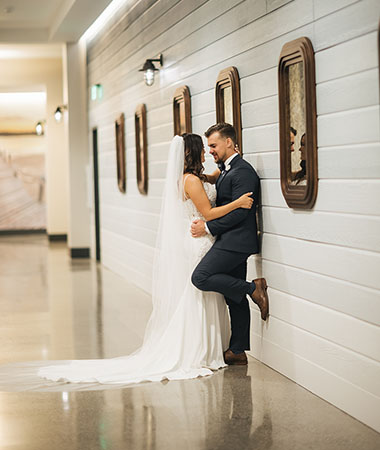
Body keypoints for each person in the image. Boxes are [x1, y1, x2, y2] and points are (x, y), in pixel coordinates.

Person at [35, 133, 254, 385]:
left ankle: (216, 346)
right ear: (192, 153)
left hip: (200, 239)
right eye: (203, 150)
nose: (206, 153)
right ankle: (201, 347)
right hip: (200, 240)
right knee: (199, 292)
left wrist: (226, 165)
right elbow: (209, 212)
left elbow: (215, 178)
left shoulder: (193, 178)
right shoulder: (191, 181)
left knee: (202, 293)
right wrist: (237, 202)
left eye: (211, 147)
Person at [191, 123, 269, 367]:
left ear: (229, 142)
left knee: (200, 277)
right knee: (232, 297)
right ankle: (238, 350)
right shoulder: (226, 169)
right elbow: (221, 185)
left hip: (237, 241)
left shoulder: (243, 172)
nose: (211, 150)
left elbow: (240, 214)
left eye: (213, 145)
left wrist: (208, 227)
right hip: (231, 239)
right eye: (208, 147)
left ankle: (253, 288)